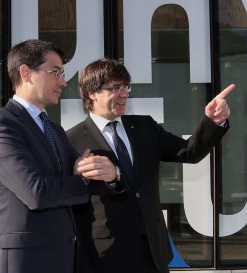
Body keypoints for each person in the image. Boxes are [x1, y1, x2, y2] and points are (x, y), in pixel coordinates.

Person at [66, 58, 235, 273]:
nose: (124, 94)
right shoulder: (72, 140)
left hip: (153, 250)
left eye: (126, 87)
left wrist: (212, 121)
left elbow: (189, 151)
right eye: (115, 88)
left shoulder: (145, 126)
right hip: (105, 254)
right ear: (92, 93)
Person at [0, 40, 119, 273]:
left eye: (63, 74)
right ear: (26, 73)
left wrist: (108, 173)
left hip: (63, 256)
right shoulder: (0, 125)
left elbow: (81, 174)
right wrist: (80, 179)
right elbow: (36, 193)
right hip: (26, 261)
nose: (63, 82)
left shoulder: (54, 130)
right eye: (56, 72)